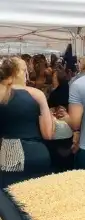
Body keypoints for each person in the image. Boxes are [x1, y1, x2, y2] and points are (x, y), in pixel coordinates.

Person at [0, 56, 55, 186]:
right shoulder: (36, 94)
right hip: (37, 151)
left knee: (11, 198)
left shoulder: (2, 94)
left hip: (9, 149)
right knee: (36, 197)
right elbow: (48, 134)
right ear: (23, 72)